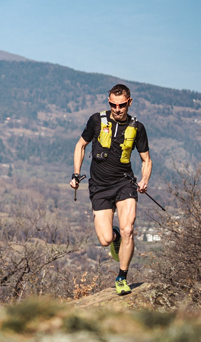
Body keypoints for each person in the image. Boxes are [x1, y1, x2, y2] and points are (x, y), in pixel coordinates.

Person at [69, 84, 152, 296]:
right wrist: (76, 174)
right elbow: (80, 145)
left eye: (122, 105)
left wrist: (144, 180)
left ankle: (122, 277)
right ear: (109, 103)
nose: (117, 109)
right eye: (113, 105)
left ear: (129, 103)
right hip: (99, 186)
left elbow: (146, 159)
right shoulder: (96, 120)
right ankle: (114, 238)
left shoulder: (138, 127)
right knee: (105, 239)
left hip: (124, 183)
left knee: (128, 229)